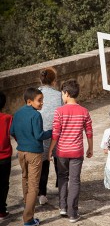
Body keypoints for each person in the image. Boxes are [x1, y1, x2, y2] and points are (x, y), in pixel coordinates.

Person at [48, 79, 93, 223]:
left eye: (62, 93)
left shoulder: (59, 111)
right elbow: (89, 132)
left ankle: (62, 207)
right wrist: (90, 148)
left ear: (67, 93)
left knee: (62, 178)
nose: (62, 96)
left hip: (61, 152)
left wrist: (50, 150)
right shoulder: (84, 111)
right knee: (74, 181)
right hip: (76, 152)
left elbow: (55, 134)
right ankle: (73, 213)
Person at [10, 88, 52, 226]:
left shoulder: (17, 113)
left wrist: (22, 141)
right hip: (34, 153)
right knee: (34, 185)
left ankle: (26, 203)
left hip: (21, 151)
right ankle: (28, 219)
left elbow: (12, 132)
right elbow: (39, 135)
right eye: (39, 100)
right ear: (29, 101)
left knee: (25, 178)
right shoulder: (36, 115)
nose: (42, 103)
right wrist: (52, 132)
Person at [38, 67, 62, 205]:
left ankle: (42, 193)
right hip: (57, 134)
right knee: (59, 162)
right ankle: (62, 188)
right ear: (54, 81)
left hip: (41, 133)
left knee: (44, 163)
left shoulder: (34, 94)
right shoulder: (59, 95)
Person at [0, 91, 13, 220]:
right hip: (4, 157)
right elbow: (13, 133)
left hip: (5, 157)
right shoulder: (8, 118)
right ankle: (2, 210)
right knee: (4, 184)